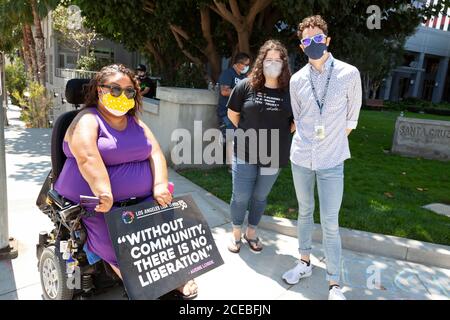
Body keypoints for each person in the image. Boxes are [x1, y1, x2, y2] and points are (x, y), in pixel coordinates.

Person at [54, 64, 198, 299]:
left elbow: (156, 153)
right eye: (115, 89)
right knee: (119, 244)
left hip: (142, 199)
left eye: (129, 91)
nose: (122, 96)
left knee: (168, 231)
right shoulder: (87, 119)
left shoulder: (135, 122)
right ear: (100, 90)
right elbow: (87, 155)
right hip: (100, 204)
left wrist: (160, 184)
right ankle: (144, 284)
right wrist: (104, 190)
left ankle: (174, 274)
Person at [281, 15, 362, 300]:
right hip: (301, 157)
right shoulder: (297, 80)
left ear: (327, 40)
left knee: (330, 221)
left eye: (318, 38)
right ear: (301, 46)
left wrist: (328, 143)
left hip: (331, 160)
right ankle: (304, 262)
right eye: (307, 40)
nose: (313, 43)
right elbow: (299, 117)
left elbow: (351, 121)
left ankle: (334, 283)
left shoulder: (349, 74)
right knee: (304, 213)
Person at [226, 40, 294, 253]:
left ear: (284, 64)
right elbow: (233, 113)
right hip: (245, 152)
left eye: (277, 60)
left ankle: (251, 232)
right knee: (241, 196)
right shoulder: (246, 85)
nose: (273, 63)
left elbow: (295, 122)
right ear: (261, 62)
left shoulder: (291, 90)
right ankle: (236, 232)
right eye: (268, 59)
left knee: (260, 196)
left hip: (275, 154)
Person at [217, 52, 251, 168]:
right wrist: (240, 92)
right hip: (226, 113)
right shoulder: (228, 74)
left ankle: (236, 164)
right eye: (245, 64)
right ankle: (232, 167)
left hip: (239, 113)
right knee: (231, 138)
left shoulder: (243, 77)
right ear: (238, 64)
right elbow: (224, 91)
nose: (247, 67)